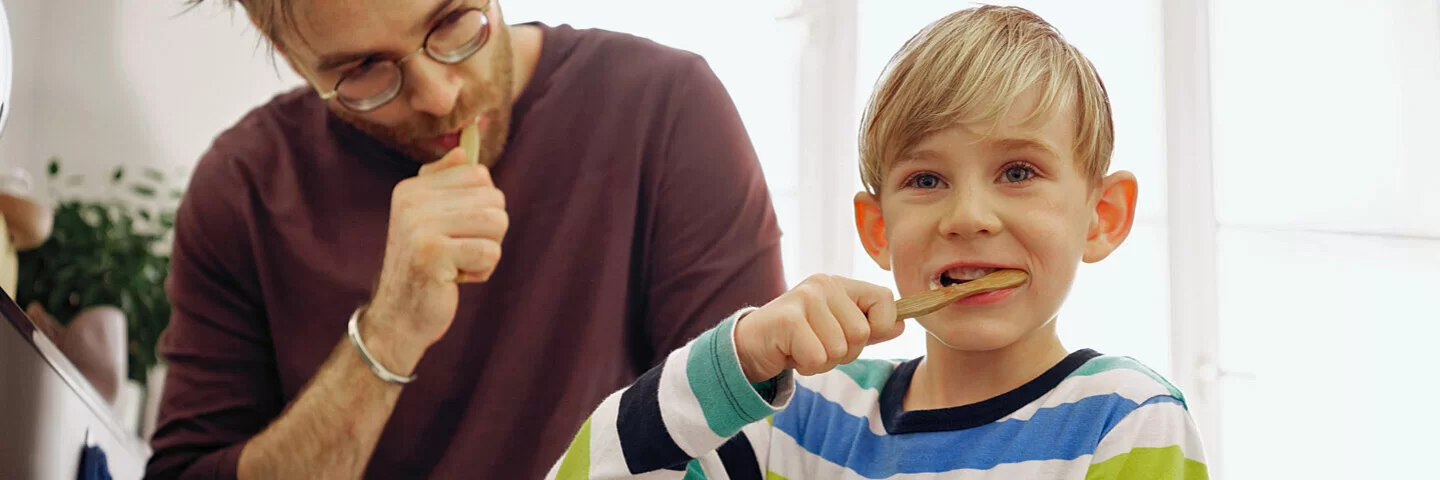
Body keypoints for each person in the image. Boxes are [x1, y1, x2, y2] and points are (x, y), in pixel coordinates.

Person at [545, 6, 1209, 479]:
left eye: (1018, 172)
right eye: (926, 179)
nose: (968, 216)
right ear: (877, 228)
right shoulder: (800, 417)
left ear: (1103, 215)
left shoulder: (1125, 419)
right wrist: (738, 356)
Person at [145, 0, 787, 478]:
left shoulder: (663, 107)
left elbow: (756, 443)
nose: (439, 95)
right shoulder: (243, 187)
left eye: (452, 21)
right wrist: (388, 333)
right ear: (284, 52)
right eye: (365, 68)